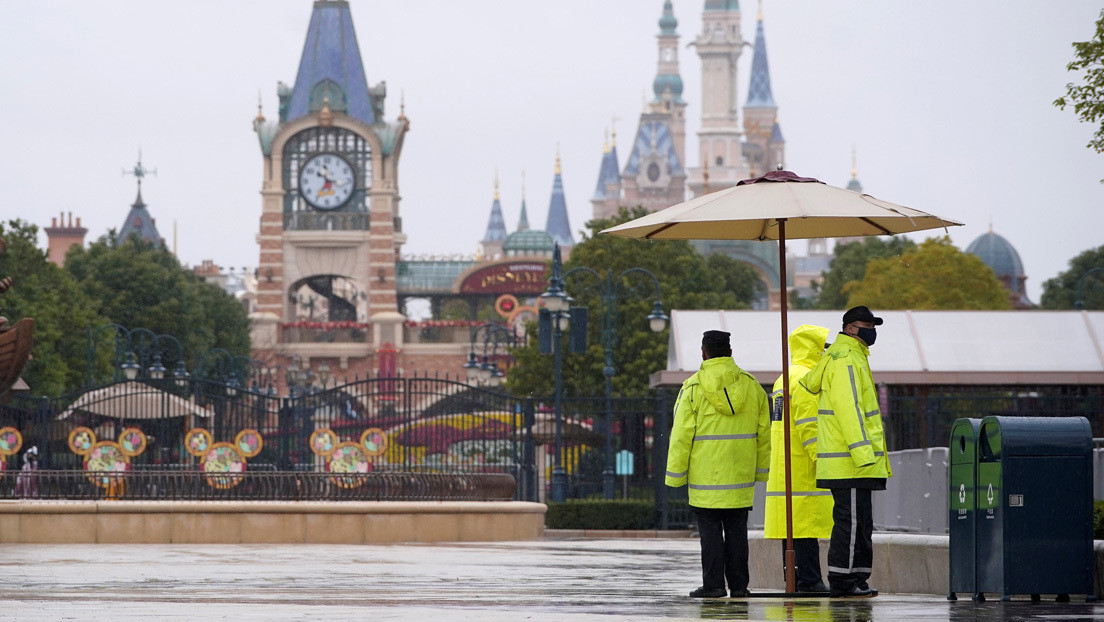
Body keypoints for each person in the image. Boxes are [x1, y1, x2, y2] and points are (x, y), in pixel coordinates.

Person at [666, 330, 771, 598]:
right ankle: (739, 587)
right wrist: (761, 472)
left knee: (710, 536)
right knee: (737, 533)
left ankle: (713, 586)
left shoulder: (692, 388)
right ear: (731, 352)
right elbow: (764, 434)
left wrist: (675, 476)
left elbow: (680, 436)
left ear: (704, 353)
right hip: (740, 477)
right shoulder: (752, 386)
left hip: (705, 479)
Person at [800, 306, 892, 599]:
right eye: (866, 324)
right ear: (851, 328)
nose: (871, 330)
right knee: (851, 524)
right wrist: (864, 454)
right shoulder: (846, 359)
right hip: (850, 463)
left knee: (860, 524)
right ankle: (843, 581)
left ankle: (857, 578)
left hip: (851, 463)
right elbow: (849, 411)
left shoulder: (852, 357)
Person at [764, 324, 832, 594]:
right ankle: (810, 581)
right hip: (803, 465)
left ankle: (793, 579)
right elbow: (809, 424)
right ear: (814, 348)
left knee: (791, 528)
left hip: (784, 464)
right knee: (806, 528)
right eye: (822, 347)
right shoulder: (806, 377)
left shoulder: (784, 377)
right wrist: (822, 460)